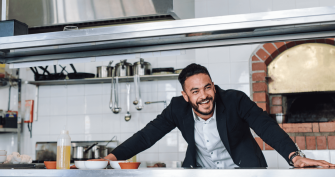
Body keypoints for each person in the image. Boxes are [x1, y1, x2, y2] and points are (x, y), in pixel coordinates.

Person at [101, 63, 335, 168]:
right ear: (185, 96)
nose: (204, 96)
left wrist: (295, 156)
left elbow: (265, 126)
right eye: (195, 91)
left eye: (207, 87)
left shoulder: (234, 100)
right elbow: (146, 136)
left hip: (243, 174)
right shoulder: (176, 108)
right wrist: (111, 158)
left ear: (213, 85)